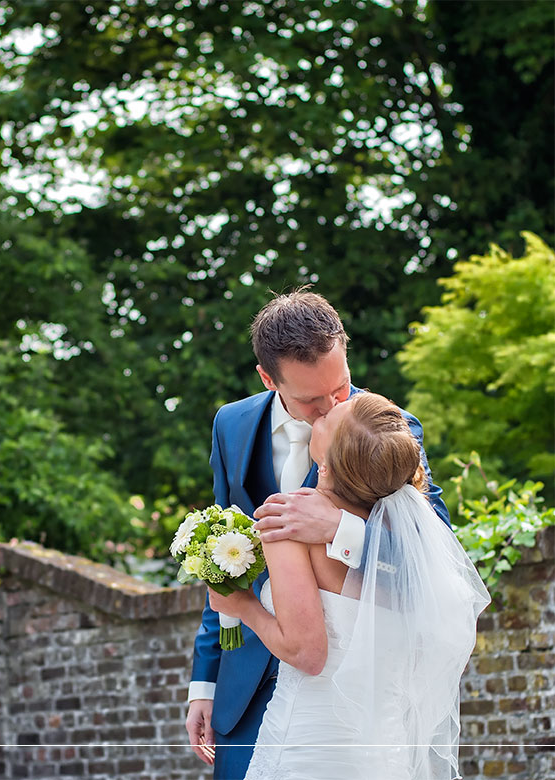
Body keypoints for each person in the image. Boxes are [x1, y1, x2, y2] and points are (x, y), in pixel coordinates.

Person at [184, 289, 451, 780]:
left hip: (345, 697)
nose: (333, 406)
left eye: (342, 386)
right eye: (312, 399)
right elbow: (221, 556)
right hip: (244, 686)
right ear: (269, 378)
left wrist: (341, 529)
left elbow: (431, 557)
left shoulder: (386, 429)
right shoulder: (232, 424)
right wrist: (206, 680)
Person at [208, 392, 489, 779]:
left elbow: (308, 653)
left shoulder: (288, 523)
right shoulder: (409, 543)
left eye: (328, 419)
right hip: (382, 753)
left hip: (307, 745)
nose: (321, 413)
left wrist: (242, 608)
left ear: (330, 464)